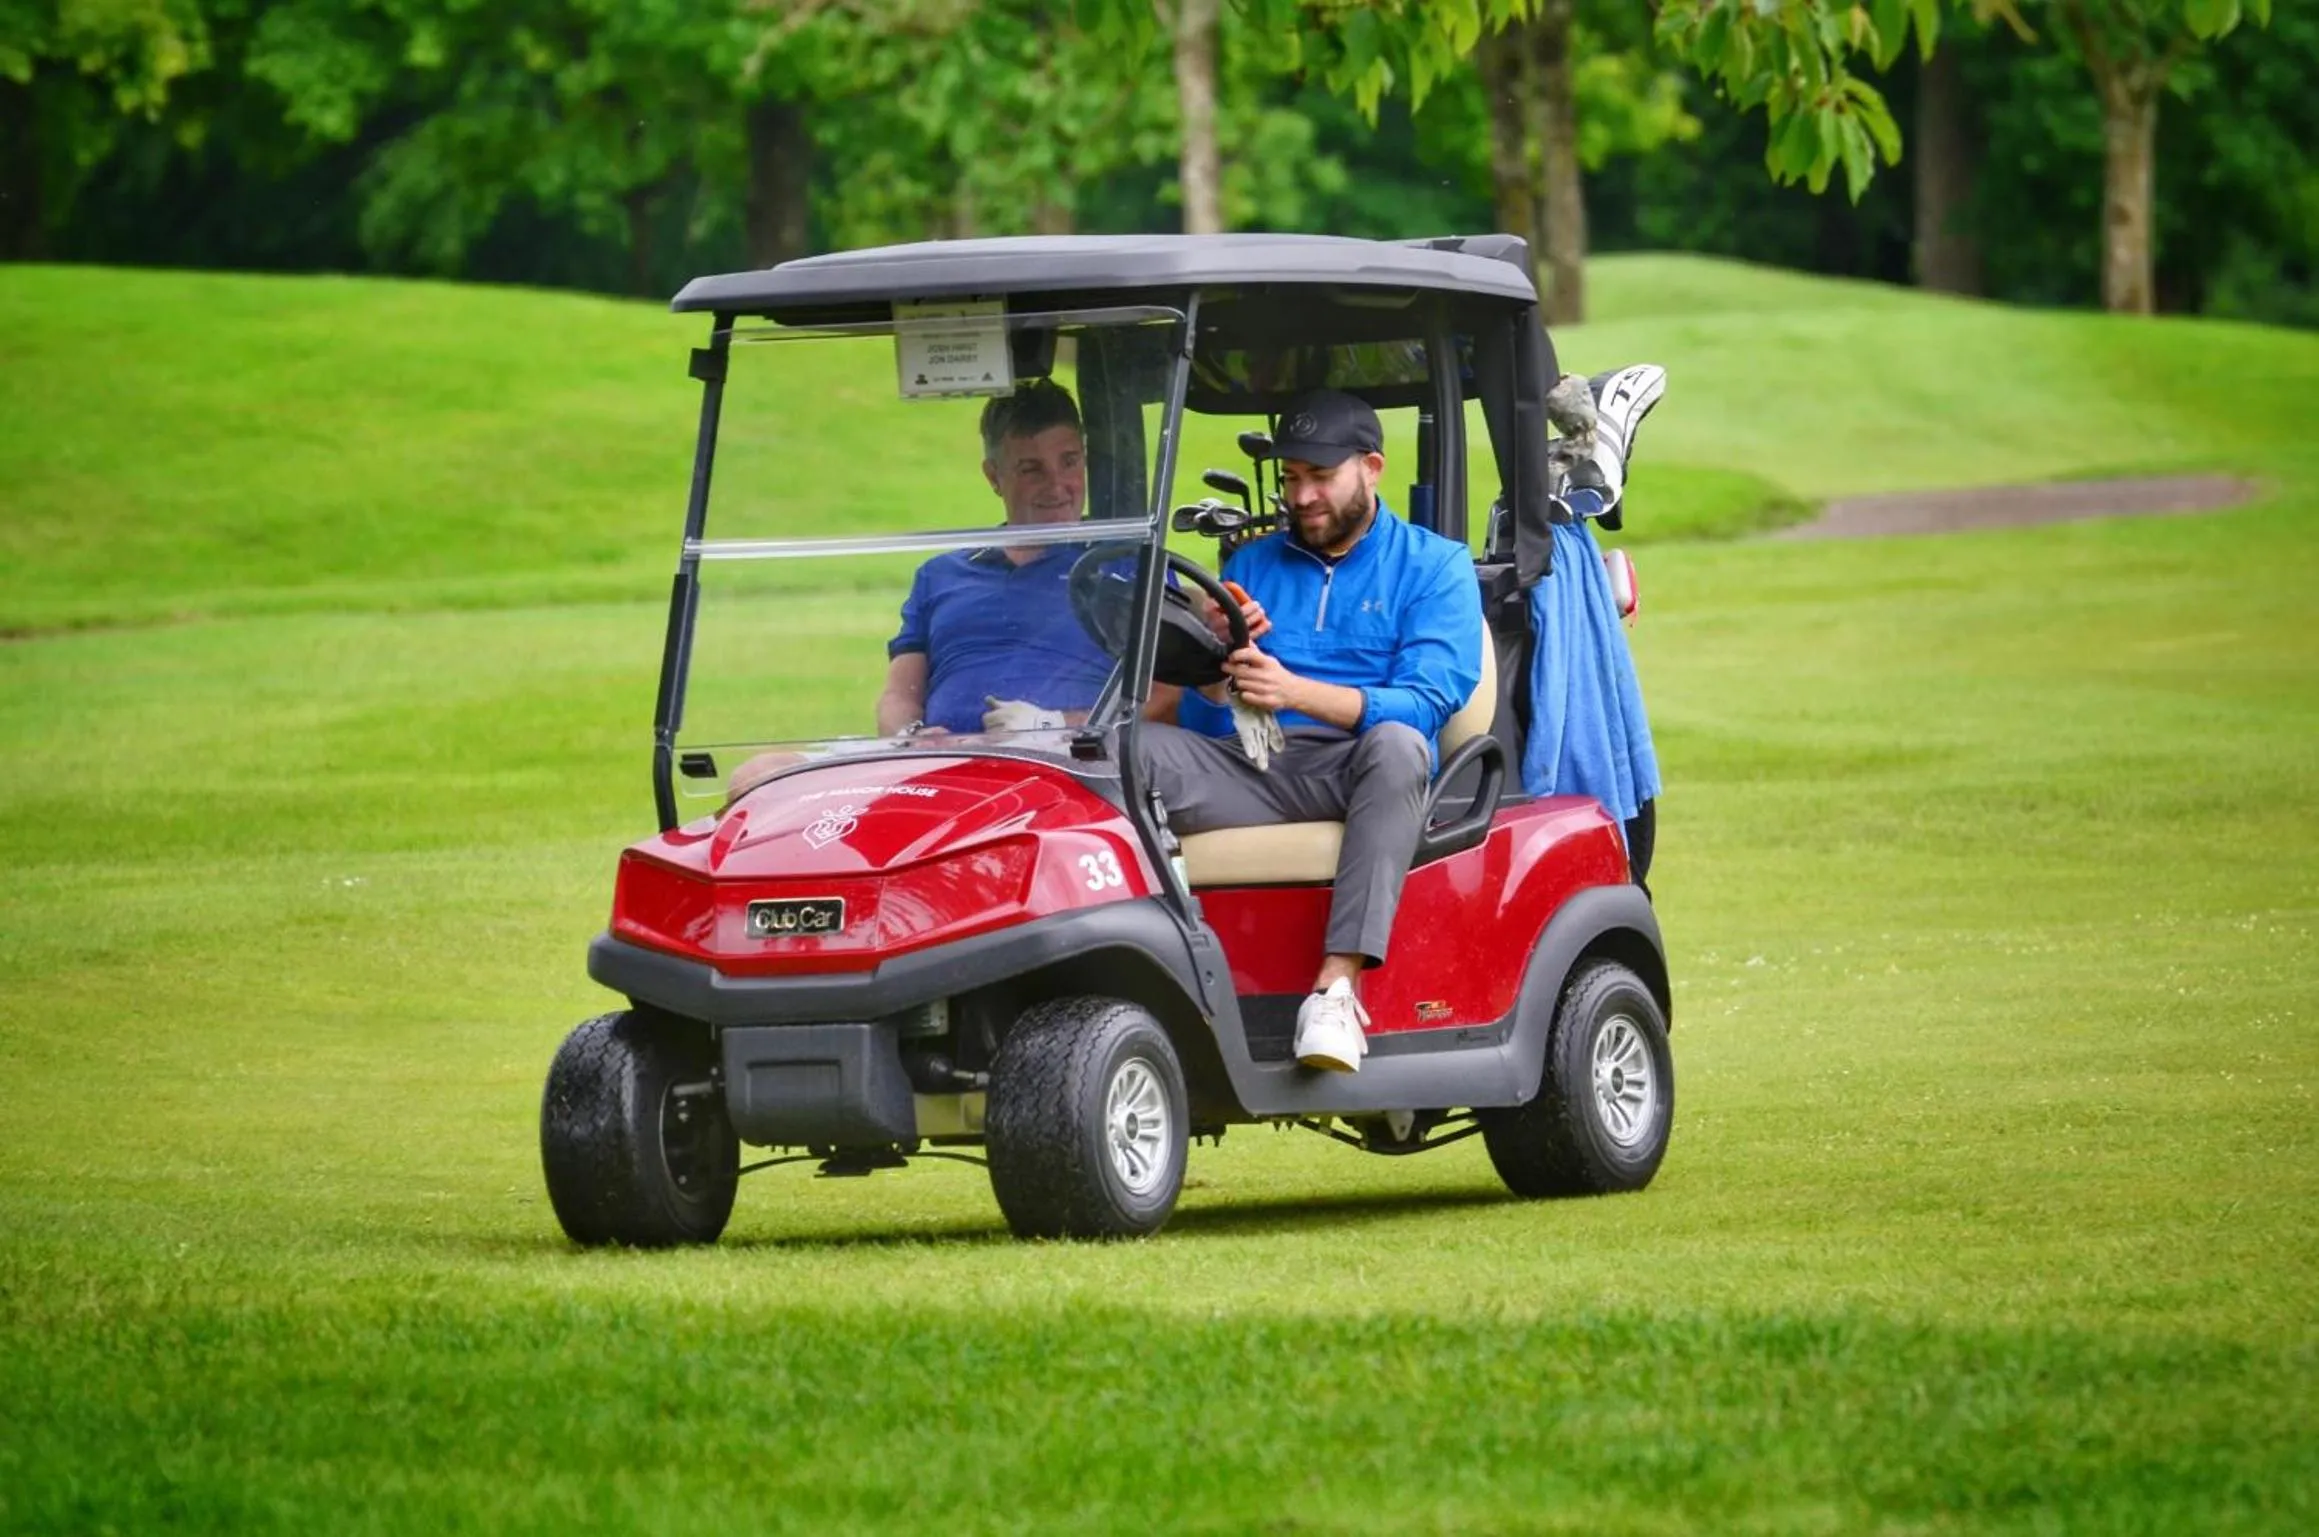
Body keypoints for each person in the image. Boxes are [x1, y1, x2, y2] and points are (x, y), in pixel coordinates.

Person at [1137, 388, 1483, 1073]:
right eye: (1292, 477)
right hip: (1255, 765)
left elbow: (1425, 704)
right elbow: (1209, 721)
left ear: (1372, 467)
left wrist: (1294, 690)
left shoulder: (1434, 565)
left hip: (1361, 771)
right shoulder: (1251, 564)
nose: (1301, 496)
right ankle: (1140, 973)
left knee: (1397, 743)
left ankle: (1334, 987)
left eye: (1320, 477)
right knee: (1128, 750)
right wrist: (1214, 673)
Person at [874, 379, 1114, 738]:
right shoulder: (941, 575)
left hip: (1076, 765)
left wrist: (1057, 725)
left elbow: (1161, 701)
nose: (1056, 484)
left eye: (1069, 462)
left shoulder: (1122, 562)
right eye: (1032, 469)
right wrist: (911, 735)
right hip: (951, 766)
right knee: (764, 769)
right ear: (994, 476)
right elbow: (898, 695)